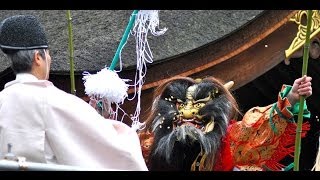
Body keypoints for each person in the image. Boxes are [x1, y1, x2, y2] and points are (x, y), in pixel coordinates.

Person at [0, 15, 148, 170]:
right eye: (48, 54)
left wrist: (95, 118)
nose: (49, 59)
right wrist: (105, 125)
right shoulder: (55, 102)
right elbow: (116, 149)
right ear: (38, 58)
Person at [138, 75, 312, 171]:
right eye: (181, 106)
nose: (189, 112)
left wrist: (291, 97)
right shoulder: (147, 145)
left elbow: (256, 127)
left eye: (198, 106)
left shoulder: (228, 141)